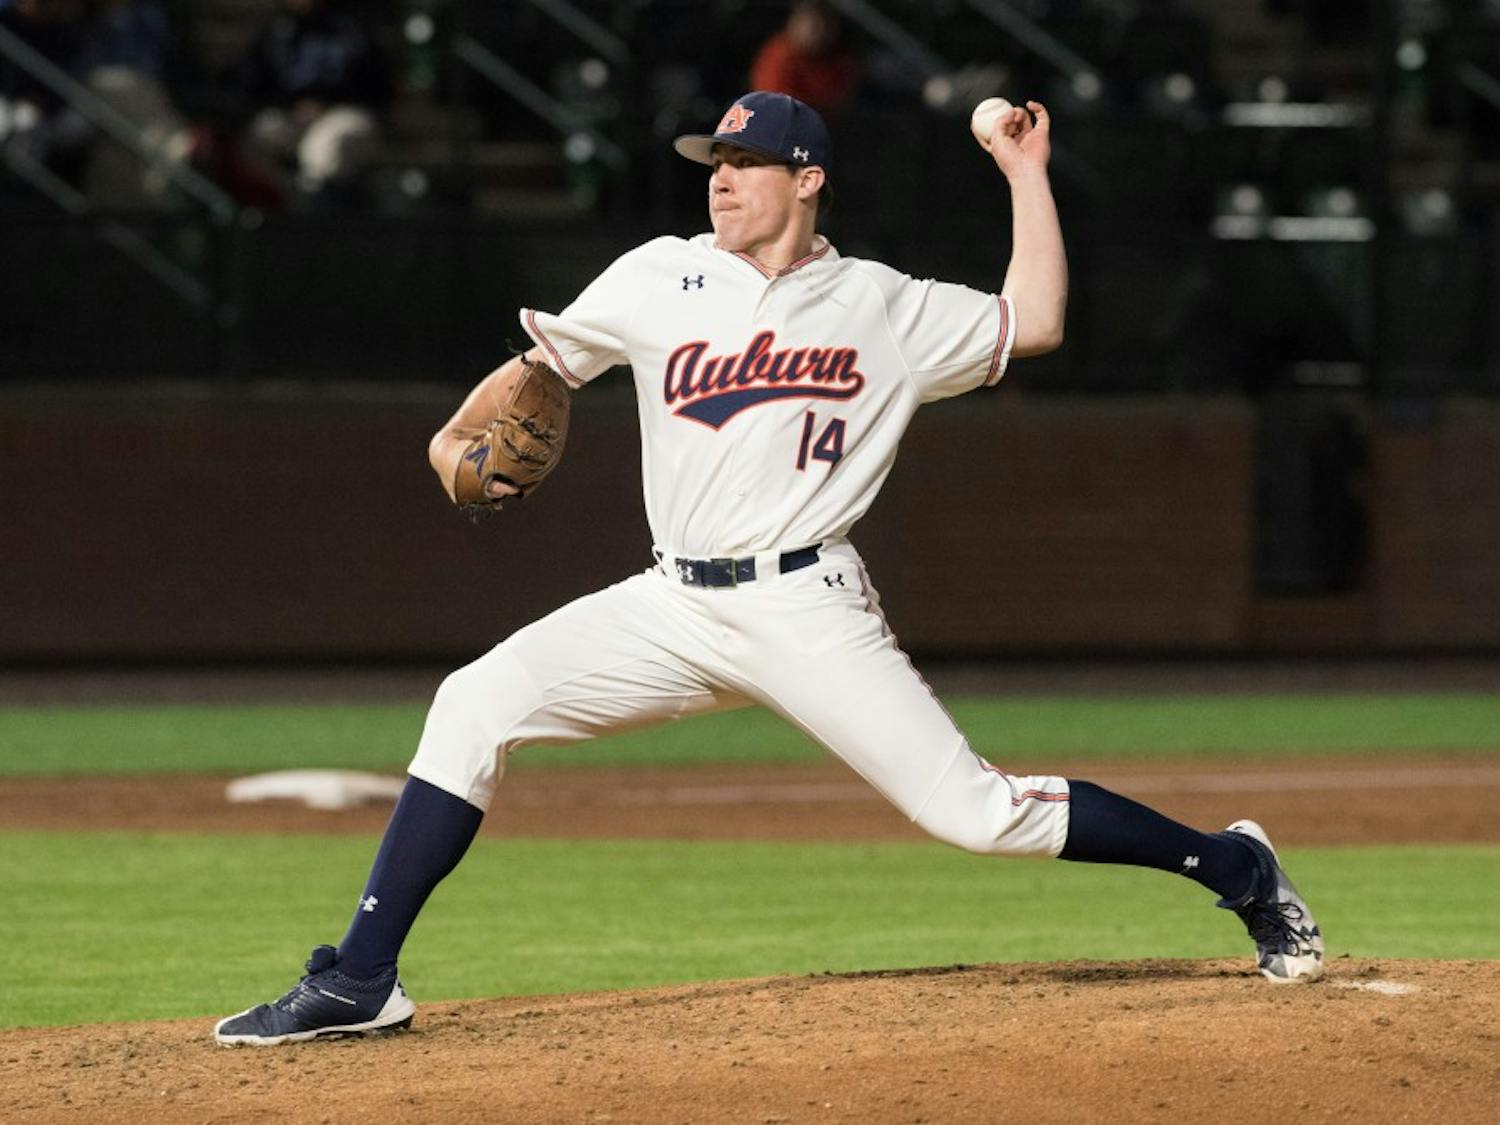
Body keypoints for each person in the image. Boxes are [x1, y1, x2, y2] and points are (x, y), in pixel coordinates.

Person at [213, 90, 1324, 1047]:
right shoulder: (658, 277)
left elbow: (1034, 322)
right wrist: (448, 443)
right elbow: (534, 373)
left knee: (978, 816)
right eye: (714, 163)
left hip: (807, 602)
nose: (722, 181)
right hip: (670, 602)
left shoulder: (881, 306)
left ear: (809, 180)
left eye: (745, 164)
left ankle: (1237, 869)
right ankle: (358, 978)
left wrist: (1025, 171)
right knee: (474, 701)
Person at [748, 0, 857, 115]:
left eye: (827, 27)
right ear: (795, 24)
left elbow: (841, 95)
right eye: (814, 27)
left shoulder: (832, 58)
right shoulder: (780, 58)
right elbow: (779, 108)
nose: (821, 34)